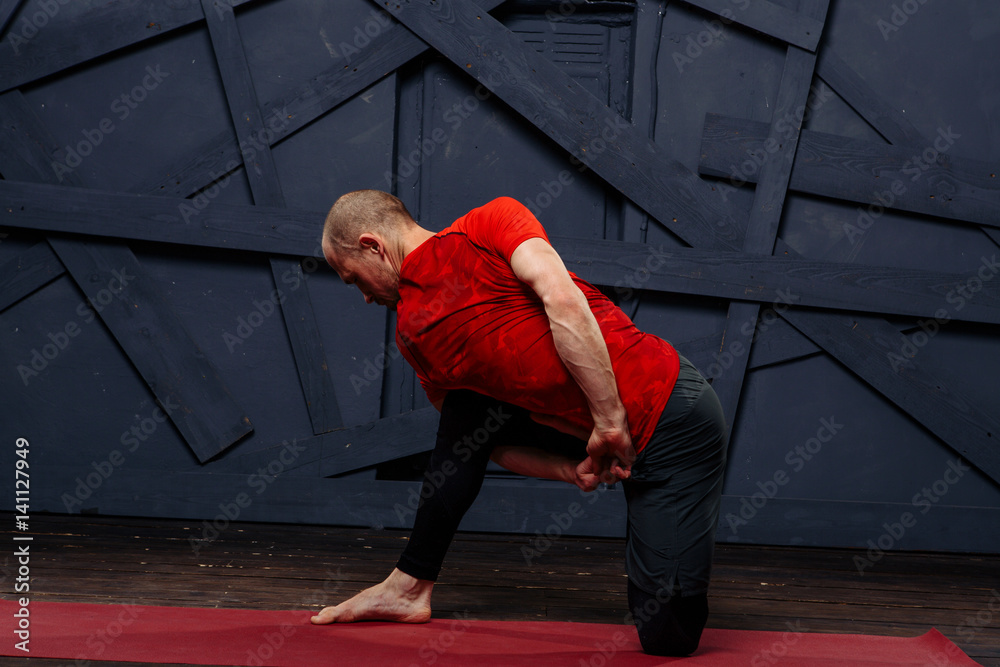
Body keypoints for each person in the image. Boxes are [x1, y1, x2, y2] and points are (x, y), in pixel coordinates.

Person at [310, 190, 729, 656]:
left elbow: (563, 299)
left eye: (354, 279)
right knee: (465, 411)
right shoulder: (413, 334)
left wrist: (611, 419)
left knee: (668, 637)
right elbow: (480, 443)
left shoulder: (488, 224)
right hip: (598, 438)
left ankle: (668, 559)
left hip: (671, 419)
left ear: (372, 246)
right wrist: (566, 470)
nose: (365, 297)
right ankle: (409, 586)